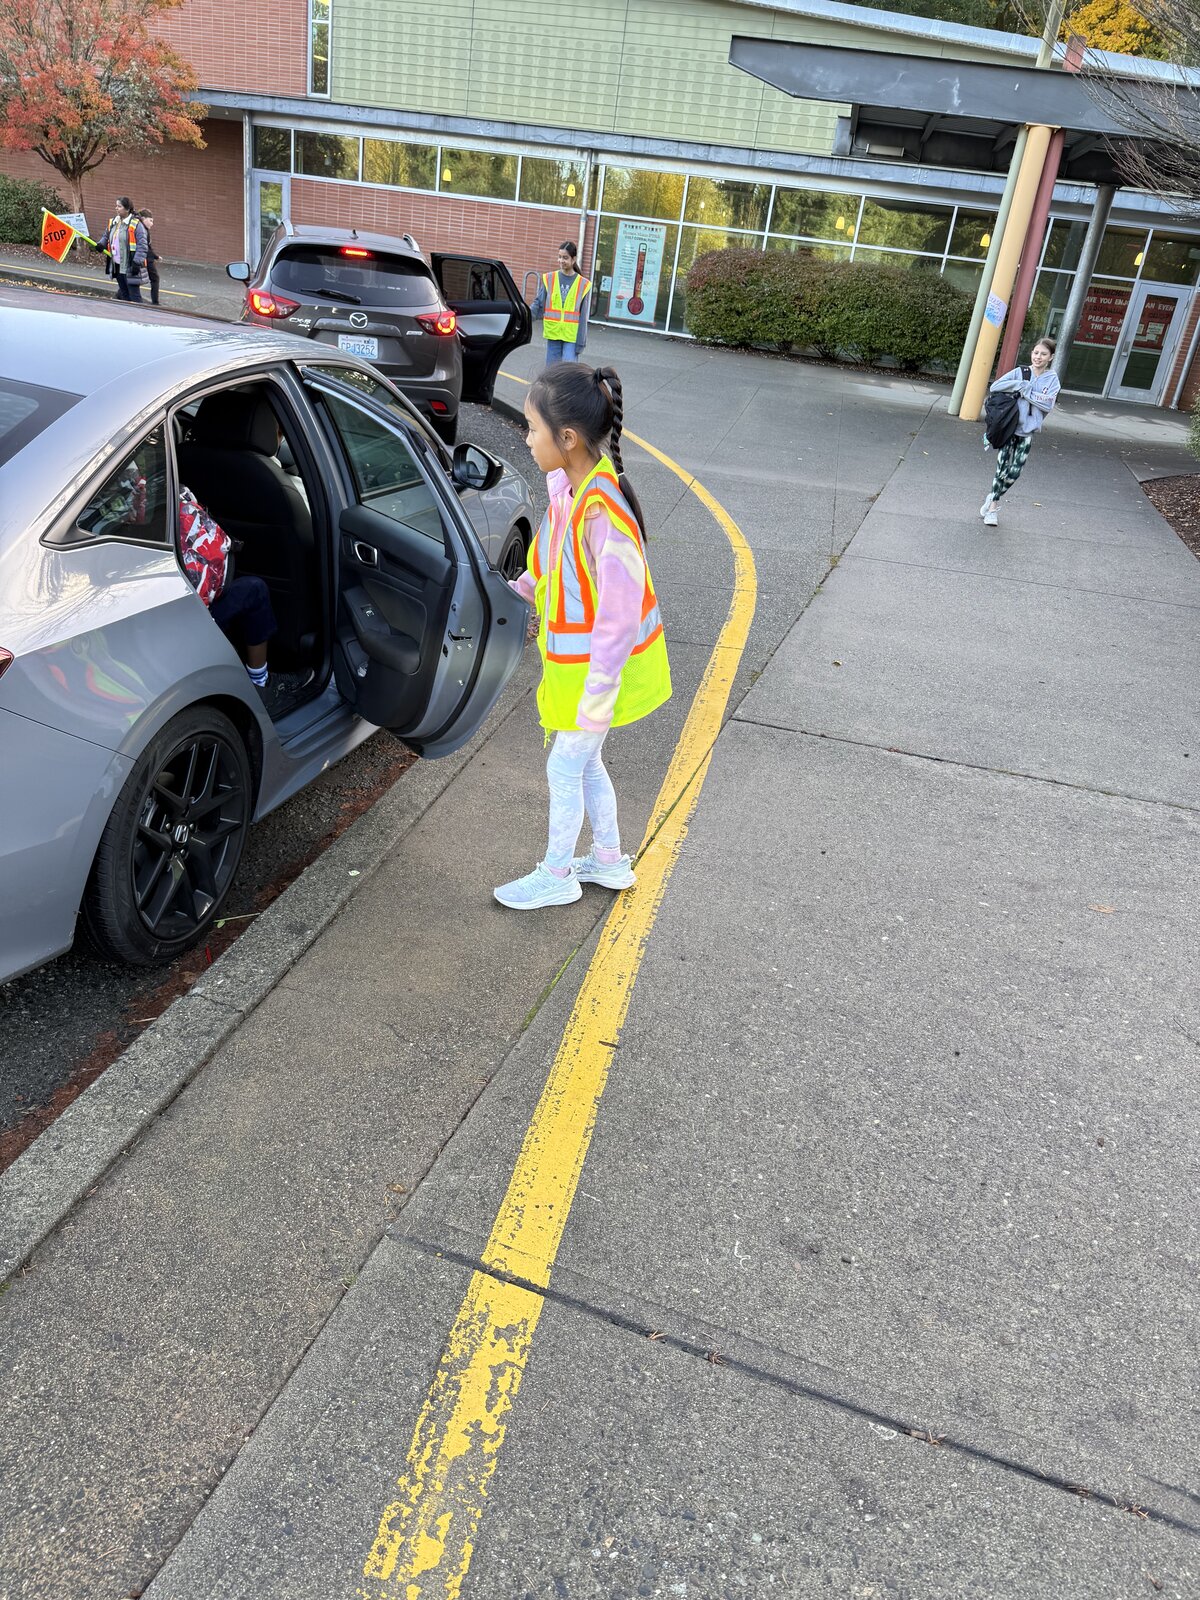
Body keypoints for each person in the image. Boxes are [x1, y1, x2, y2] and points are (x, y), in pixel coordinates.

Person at [494, 363, 671, 911]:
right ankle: (611, 860)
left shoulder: (601, 509)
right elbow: (554, 566)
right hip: (579, 671)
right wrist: (518, 587)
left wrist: (597, 698)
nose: (526, 439)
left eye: (531, 429)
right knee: (586, 763)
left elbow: (618, 615)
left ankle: (558, 872)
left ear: (566, 439)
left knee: (565, 766)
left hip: (598, 676)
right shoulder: (571, 492)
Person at [980, 337, 1060, 527]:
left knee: (1015, 472)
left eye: (1043, 354)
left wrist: (1028, 394)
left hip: (1027, 431)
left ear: (1051, 357)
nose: (1038, 357)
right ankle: (992, 508)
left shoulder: (1052, 379)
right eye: (1035, 352)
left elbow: (1047, 403)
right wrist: (1020, 386)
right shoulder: (1020, 372)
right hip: (1009, 427)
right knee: (1001, 469)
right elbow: (995, 386)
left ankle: (993, 494)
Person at [530, 241, 591, 366]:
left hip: (571, 337)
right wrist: (524, 317)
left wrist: (581, 342)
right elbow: (538, 304)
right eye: (559, 257)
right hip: (553, 333)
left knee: (568, 373)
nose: (561, 261)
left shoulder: (583, 284)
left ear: (573, 259)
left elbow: (583, 317)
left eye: (565, 258)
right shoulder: (550, 278)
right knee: (552, 373)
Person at [92, 198, 149, 302]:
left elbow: (142, 245)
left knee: (134, 296)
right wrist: (101, 244)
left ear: (127, 209)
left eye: (119, 206)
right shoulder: (114, 222)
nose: (116, 208)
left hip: (130, 266)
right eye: (116, 206)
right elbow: (106, 236)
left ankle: (140, 316)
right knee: (124, 294)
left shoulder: (136, 224)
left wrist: (137, 261)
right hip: (117, 265)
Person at [138, 209, 162, 306]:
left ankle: (120, 294)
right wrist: (154, 257)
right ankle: (155, 302)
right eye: (150, 220)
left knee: (136, 278)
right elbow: (146, 247)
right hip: (145, 259)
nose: (152, 224)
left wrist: (156, 256)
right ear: (143, 219)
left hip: (144, 258)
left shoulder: (143, 229)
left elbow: (148, 246)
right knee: (154, 279)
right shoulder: (142, 230)